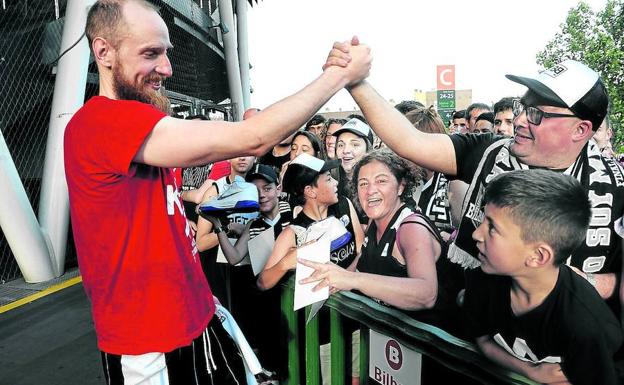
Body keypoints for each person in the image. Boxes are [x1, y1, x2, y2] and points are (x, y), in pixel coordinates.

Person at [63, 1, 371, 382]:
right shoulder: (102, 122)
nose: (167, 68)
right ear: (103, 51)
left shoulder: (131, 127)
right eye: (150, 53)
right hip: (150, 343)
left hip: (193, 322)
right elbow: (253, 137)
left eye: (166, 53)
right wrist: (338, 77)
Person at [327, 42, 622, 313]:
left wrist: (583, 283)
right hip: (477, 342)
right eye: (522, 107)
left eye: (535, 114)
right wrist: (355, 81)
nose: (519, 120)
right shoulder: (487, 152)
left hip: (562, 360)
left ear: (580, 130)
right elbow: (409, 141)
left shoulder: (616, 190)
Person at [464, 170, 622, 385]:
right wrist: (531, 370)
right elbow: (482, 340)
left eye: (492, 227)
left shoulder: (585, 327)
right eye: (483, 219)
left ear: (538, 256)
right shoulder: (481, 281)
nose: (476, 233)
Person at [299, 150, 461, 329]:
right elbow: (359, 266)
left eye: (381, 181)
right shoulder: (375, 220)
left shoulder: (411, 227)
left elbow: (426, 295)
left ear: (401, 186)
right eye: (363, 183)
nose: (370, 191)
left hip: (433, 348)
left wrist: (352, 280)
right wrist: (330, 277)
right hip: (393, 342)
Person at [257, 153, 363, 385]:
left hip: (357, 315)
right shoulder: (293, 232)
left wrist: (346, 277)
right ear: (310, 191)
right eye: (328, 178)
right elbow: (263, 282)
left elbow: (361, 249)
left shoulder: (345, 206)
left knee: (356, 378)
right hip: (323, 327)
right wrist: (287, 261)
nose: (336, 183)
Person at [203, 164, 291, 381]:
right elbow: (234, 257)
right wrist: (219, 227)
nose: (262, 195)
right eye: (255, 190)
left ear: (278, 189)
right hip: (269, 305)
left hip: (295, 300)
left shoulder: (294, 211)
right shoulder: (253, 222)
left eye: (267, 188)